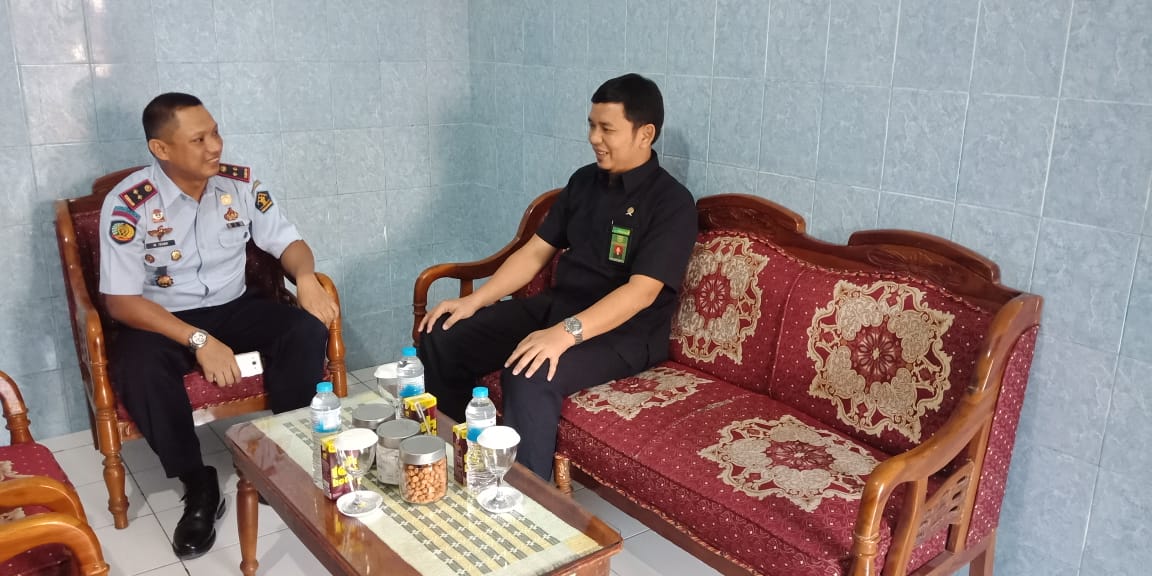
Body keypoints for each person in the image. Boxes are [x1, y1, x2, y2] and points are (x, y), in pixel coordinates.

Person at [418, 73, 698, 479]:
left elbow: (641, 292)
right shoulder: (584, 181)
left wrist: (565, 334)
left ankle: (525, 500)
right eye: (591, 125)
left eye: (607, 129)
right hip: (560, 307)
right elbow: (535, 252)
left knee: (530, 371)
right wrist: (474, 300)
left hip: (624, 334)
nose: (594, 138)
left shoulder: (671, 203)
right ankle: (460, 458)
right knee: (444, 333)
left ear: (645, 134)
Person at [97, 93, 338, 559]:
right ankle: (198, 483)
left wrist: (306, 277)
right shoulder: (129, 204)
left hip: (233, 305)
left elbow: (288, 241)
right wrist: (198, 339)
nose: (215, 146)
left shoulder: (239, 185)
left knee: (302, 330)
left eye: (215, 133)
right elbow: (121, 302)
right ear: (161, 149)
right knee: (138, 367)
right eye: (199, 139)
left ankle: (281, 457)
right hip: (161, 318)